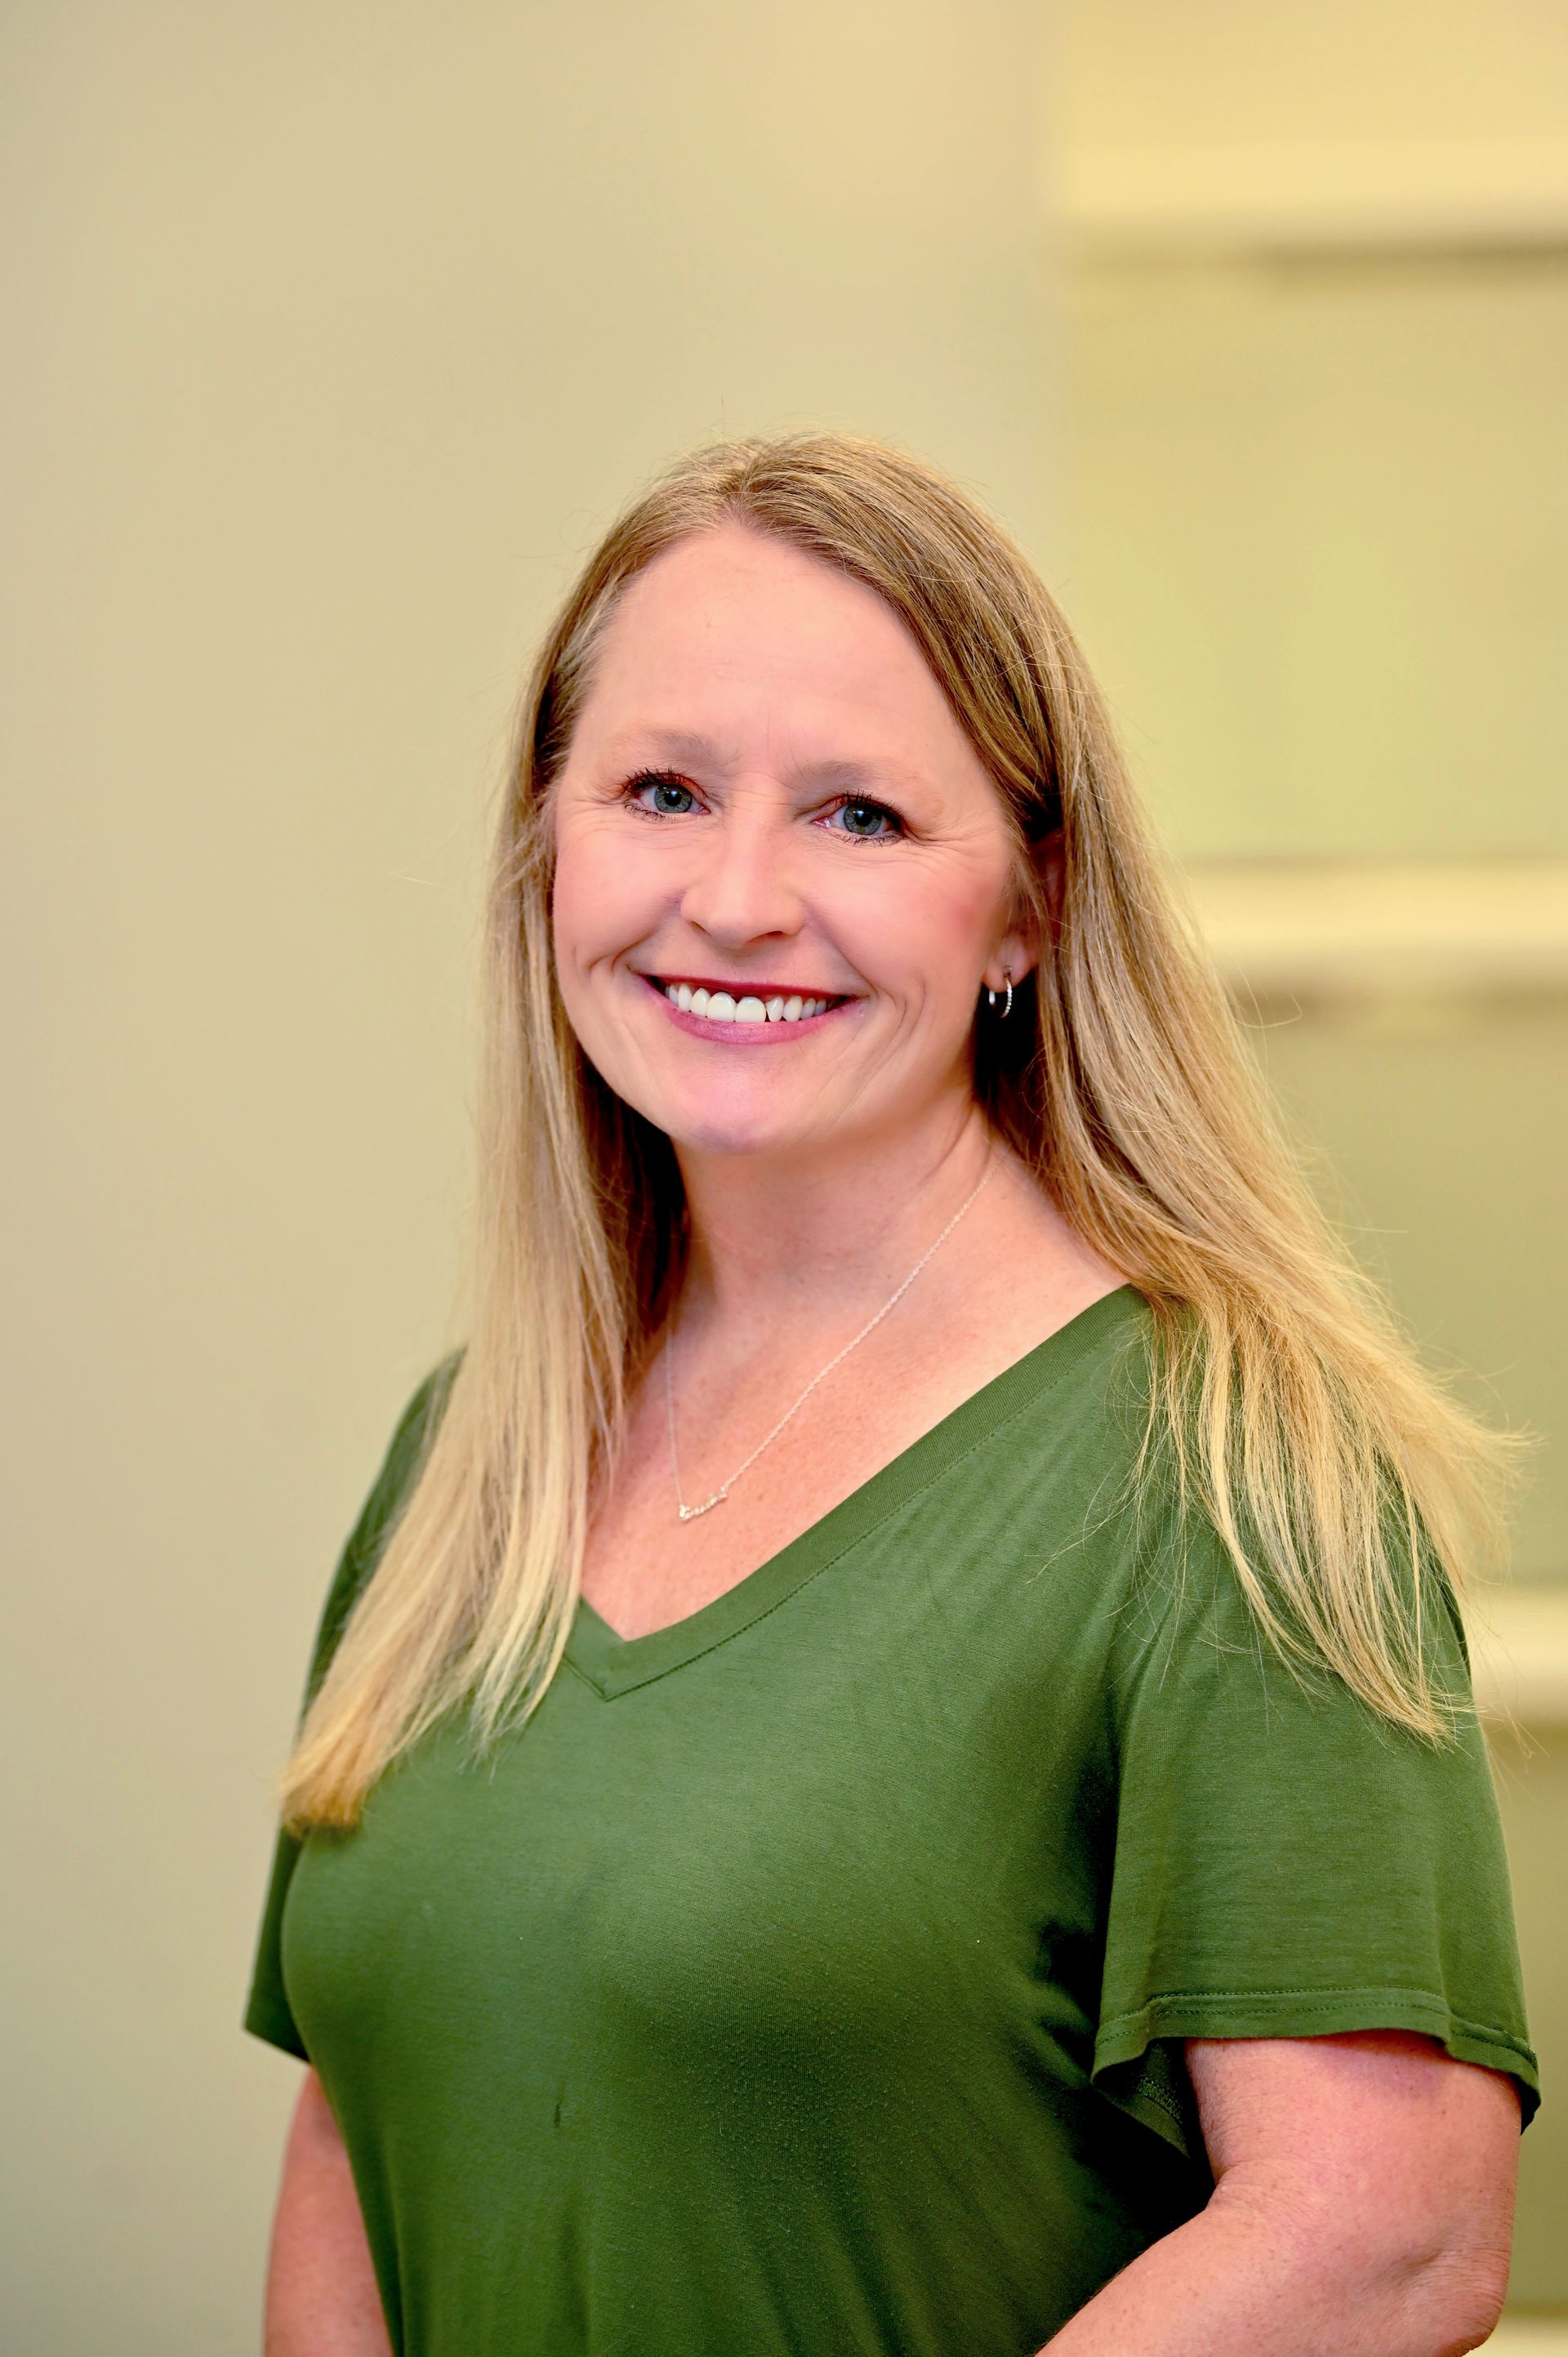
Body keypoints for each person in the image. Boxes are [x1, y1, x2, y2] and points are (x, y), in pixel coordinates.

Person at [246, 432, 1537, 2357]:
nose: (740, 899)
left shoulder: (1234, 1474)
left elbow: (1385, 2243)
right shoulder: (475, 1452)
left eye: (859, 817)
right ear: (550, 843)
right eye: (662, 791)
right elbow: (364, 2120)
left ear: (1027, 905)